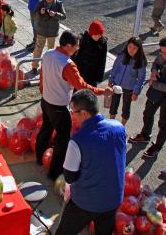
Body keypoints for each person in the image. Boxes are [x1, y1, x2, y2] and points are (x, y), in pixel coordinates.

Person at [35, 30, 109, 180]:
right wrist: (102, 91)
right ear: (68, 46)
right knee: (62, 140)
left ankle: (39, 157)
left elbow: (42, 77)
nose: (78, 49)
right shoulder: (68, 65)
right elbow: (82, 86)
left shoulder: (48, 54)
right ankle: (54, 172)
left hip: (46, 101)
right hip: (59, 107)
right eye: (76, 46)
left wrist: (43, 91)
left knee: (46, 129)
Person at [56, 90, 126, 235]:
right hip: (113, 199)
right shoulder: (118, 127)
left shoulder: (77, 141)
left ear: (84, 113)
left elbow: (69, 177)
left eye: (73, 110)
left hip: (85, 202)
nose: (71, 114)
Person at [129, 37, 166, 158]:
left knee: (163, 123)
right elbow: (156, 63)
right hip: (155, 92)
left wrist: (153, 82)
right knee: (148, 113)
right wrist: (154, 71)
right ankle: (145, 135)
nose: (162, 55)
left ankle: (157, 147)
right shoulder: (162, 56)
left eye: (165, 52)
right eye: (161, 51)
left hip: (161, 90)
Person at [109, 37, 147, 126]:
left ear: (139, 49)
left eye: (134, 48)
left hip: (129, 88)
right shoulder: (122, 55)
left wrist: (136, 92)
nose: (131, 50)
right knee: (113, 105)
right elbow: (115, 68)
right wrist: (111, 80)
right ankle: (111, 125)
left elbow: (141, 79)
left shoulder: (141, 61)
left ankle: (122, 127)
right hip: (116, 84)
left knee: (126, 108)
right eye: (129, 47)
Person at [31, 0, 66, 74]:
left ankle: (49, 66)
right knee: (38, 49)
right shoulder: (40, 3)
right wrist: (40, 13)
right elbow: (34, 15)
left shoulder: (58, 3)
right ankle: (34, 67)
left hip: (52, 31)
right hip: (41, 30)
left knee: (51, 51)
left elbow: (64, 16)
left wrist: (55, 14)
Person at [73, 20, 107, 86]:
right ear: (91, 33)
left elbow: (102, 60)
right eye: (96, 35)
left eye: (100, 35)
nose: (98, 36)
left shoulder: (103, 43)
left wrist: (99, 77)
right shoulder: (82, 39)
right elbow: (75, 56)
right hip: (80, 73)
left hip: (93, 75)